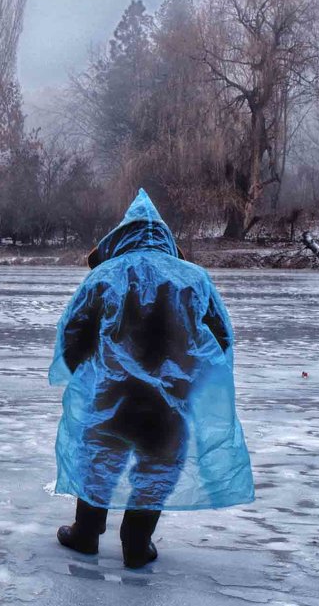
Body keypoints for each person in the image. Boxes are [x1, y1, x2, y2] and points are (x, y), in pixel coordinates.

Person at [49, 189, 253, 569]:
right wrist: (194, 375)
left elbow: (73, 334)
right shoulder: (195, 278)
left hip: (112, 396)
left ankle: (86, 533)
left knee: (99, 460)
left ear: (123, 234)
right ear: (164, 236)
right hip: (169, 402)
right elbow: (221, 337)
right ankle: (137, 541)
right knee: (158, 466)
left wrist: (82, 369)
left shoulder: (103, 277)